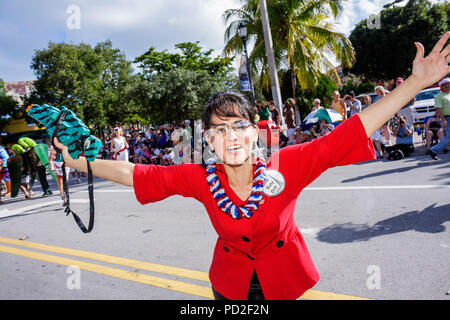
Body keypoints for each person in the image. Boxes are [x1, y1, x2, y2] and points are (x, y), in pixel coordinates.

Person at [50, 32, 450, 300]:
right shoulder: (199, 179)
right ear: (207, 141)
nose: (232, 135)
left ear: (255, 132)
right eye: (219, 130)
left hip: (284, 282)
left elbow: (346, 134)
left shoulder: (288, 163)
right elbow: (136, 174)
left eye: (239, 125)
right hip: (230, 287)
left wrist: (414, 84)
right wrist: (78, 161)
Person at [430, 77, 450, 160]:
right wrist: (443, 119)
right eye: (444, 85)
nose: (447, 86)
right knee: (448, 138)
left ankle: (434, 150)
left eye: (448, 84)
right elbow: (438, 109)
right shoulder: (439, 96)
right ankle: (434, 150)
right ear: (441, 86)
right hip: (447, 118)